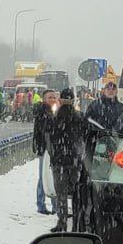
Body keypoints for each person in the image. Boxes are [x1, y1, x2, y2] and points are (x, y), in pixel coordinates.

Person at [47, 88, 88, 232]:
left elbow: (49, 140)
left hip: (59, 162)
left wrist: (53, 156)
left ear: (60, 100)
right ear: (73, 100)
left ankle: (62, 221)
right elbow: (85, 137)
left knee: (61, 194)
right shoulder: (80, 117)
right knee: (77, 193)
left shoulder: (54, 118)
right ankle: (77, 222)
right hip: (75, 161)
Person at [32, 89, 59, 215]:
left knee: (54, 177)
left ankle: (55, 206)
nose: (52, 99)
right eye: (50, 97)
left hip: (55, 149)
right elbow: (42, 131)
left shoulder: (56, 111)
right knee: (44, 177)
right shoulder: (42, 112)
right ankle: (41, 205)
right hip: (45, 149)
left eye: (54, 97)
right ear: (44, 99)